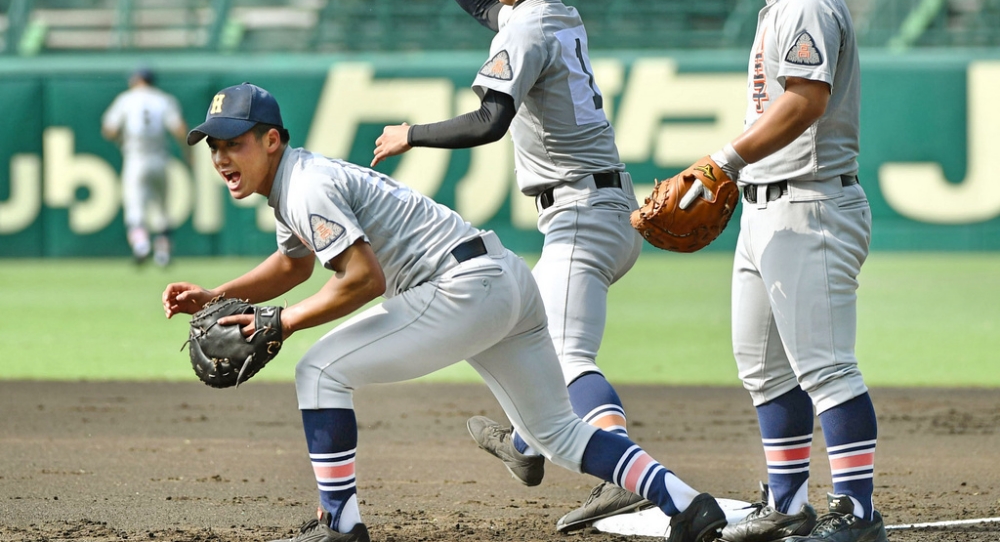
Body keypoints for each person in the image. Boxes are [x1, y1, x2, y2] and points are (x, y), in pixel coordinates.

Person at [161, 83, 728, 542]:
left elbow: (363, 280)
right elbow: (295, 267)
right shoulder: (297, 183)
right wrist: (215, 295)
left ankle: (340, 525)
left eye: (233, 143)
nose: (220, 157)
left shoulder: (307, 186)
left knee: (319, 370)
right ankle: (687, 504)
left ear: (272, 141)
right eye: (213, 146)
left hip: (460, 288)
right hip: (502, 280)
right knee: (556, 433)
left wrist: (280, 322)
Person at [370, 0, 648, 531]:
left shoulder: (524, 33)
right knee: (520, 329)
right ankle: (526, 446)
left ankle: (619, 473)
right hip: (599, 208)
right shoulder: (553, 15)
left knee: (565, 355)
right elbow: (482, 8)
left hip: (582, 214)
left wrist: (410, 134)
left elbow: (490, 122)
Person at [700, 0, 885, 542]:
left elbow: (805, 101)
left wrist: (723, 159)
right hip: (766, 209)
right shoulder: (781, 1)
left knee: (827, 366)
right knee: (763, 366)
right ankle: (789, 502)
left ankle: (859, 513)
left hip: (809, 205)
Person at [101, 66, 188, 266]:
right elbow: (179, 128)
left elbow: (109, 129)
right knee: (162, 208)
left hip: (136, 158)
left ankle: (141, 245)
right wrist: (187, 152)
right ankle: (163, 253)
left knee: (135, 206)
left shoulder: (126, 99)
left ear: (135, 79)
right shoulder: (163, 99)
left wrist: (121, 139)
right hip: (159, 157)